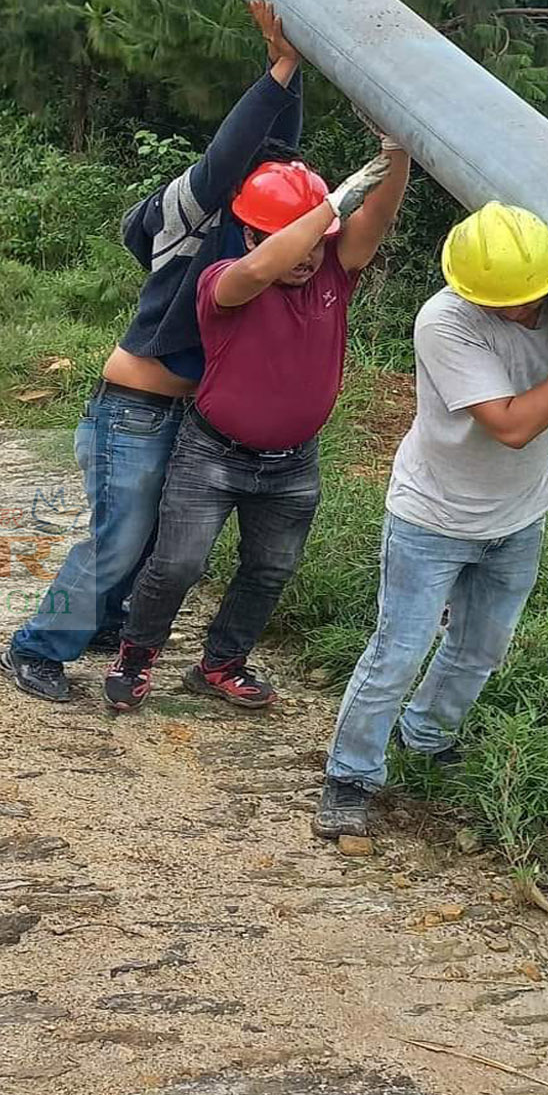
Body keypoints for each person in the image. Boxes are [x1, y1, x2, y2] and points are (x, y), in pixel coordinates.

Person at [0, 0, 305, 704]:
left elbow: (277, 153)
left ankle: (101, 621)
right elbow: (232, 150)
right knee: (117, 538)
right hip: (132, 410)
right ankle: (35, 647)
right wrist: (280, 69)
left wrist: (292, 74)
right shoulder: (186, 217)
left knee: (149, 540)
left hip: (185, 418)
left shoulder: (246, 228)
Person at [313, 203, 548, 840]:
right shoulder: (445, 321)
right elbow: (513, 425)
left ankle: (428, 736)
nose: (517, 313)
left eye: (526, 300)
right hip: (433, 516)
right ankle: (350, 775)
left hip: (519, 516)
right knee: (398, 652)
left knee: (481, 648)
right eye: (500, 304)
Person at [103, 131, 411, 713]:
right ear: (249, 235)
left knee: (271, 569)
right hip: (213, 454)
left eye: (319, 245)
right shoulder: (223, 280)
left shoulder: (331, 274)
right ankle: (136, 655)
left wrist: (397, 155)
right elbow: (261, 268)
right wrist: (326, 209)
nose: (305, 258)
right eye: (290, 243)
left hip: (294, 461)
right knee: (176, 567)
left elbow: (378, 219)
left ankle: (221, 662)